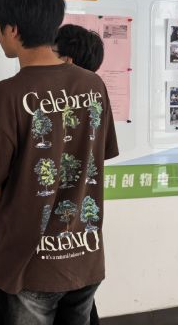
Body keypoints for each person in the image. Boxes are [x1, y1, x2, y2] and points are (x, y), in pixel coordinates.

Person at [0, 0, 119, 325]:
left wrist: (25, 205)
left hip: (28, 263)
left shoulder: (7, 95)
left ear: (12, 29)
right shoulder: (93, 84)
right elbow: (97, 159)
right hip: (84, 254)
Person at [53, 24, 106, 325]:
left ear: (68, 60)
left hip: (55, 242)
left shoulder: (48, 105)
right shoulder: (96, 97)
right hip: (85, 240)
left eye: (52, 52)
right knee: (79, 303)